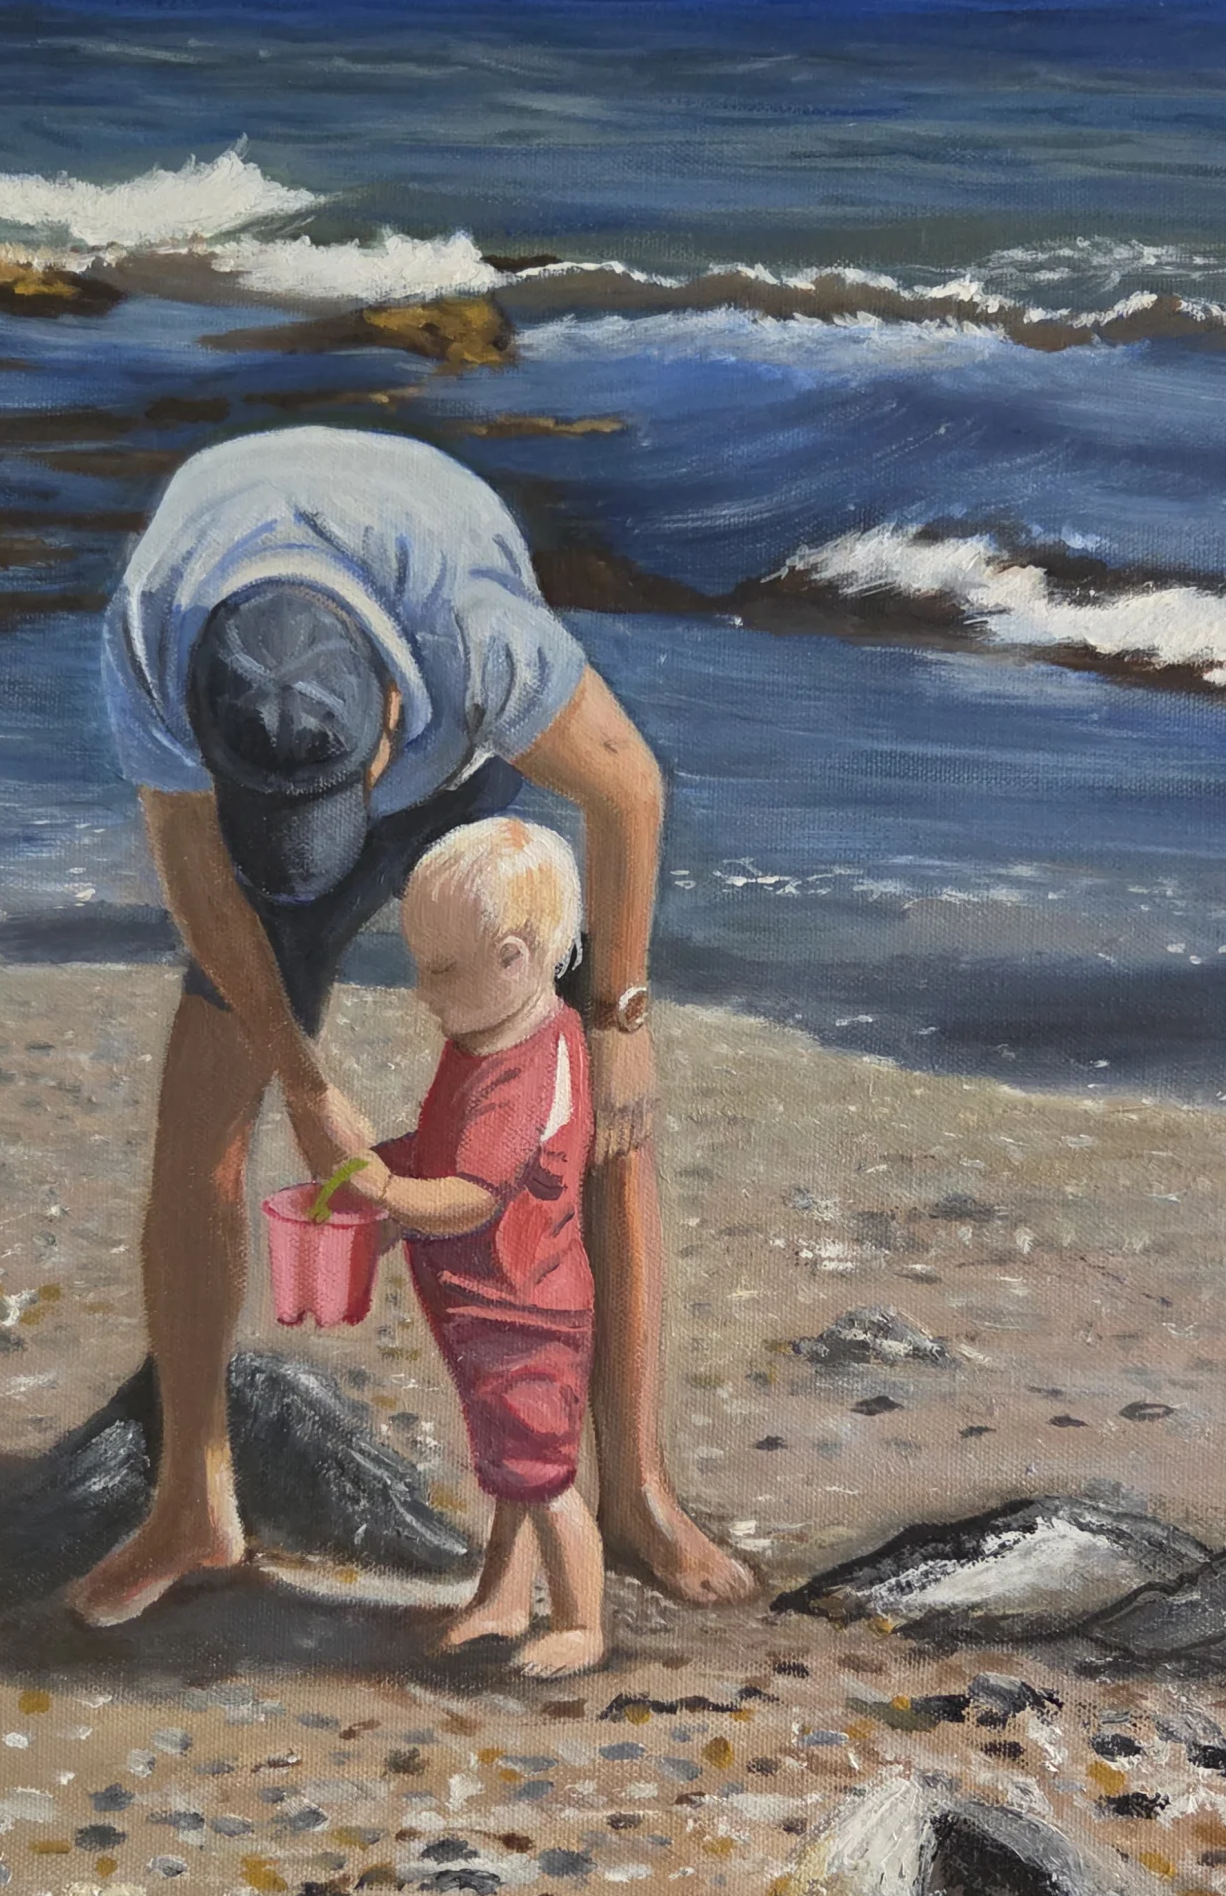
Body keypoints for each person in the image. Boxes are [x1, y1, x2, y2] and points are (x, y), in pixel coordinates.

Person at [67, 424, 755, 1626]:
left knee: (597, 1112)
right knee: (197, 1118)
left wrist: (621, 1017)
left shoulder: (472, 634)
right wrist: (301, 1079)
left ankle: (638, 1492)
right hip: (282, 770)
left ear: (391, 701)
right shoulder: (157, 627)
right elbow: (198, 868)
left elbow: (628, 789)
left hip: (462, 787)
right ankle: (193, 1502)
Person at [321, 818, 605, 1679]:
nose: (420, 991)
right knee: (512, 1466)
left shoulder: (523, 1072)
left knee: (543, 1477)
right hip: (481, 1299)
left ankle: (581, 1622)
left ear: (514, 959)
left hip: (522, 1305)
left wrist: (380, 1190)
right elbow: (448, 1150)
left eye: (440, 971)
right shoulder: (491, 1036)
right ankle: (504, 1599)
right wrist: (387, 1187)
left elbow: (471, 1195)